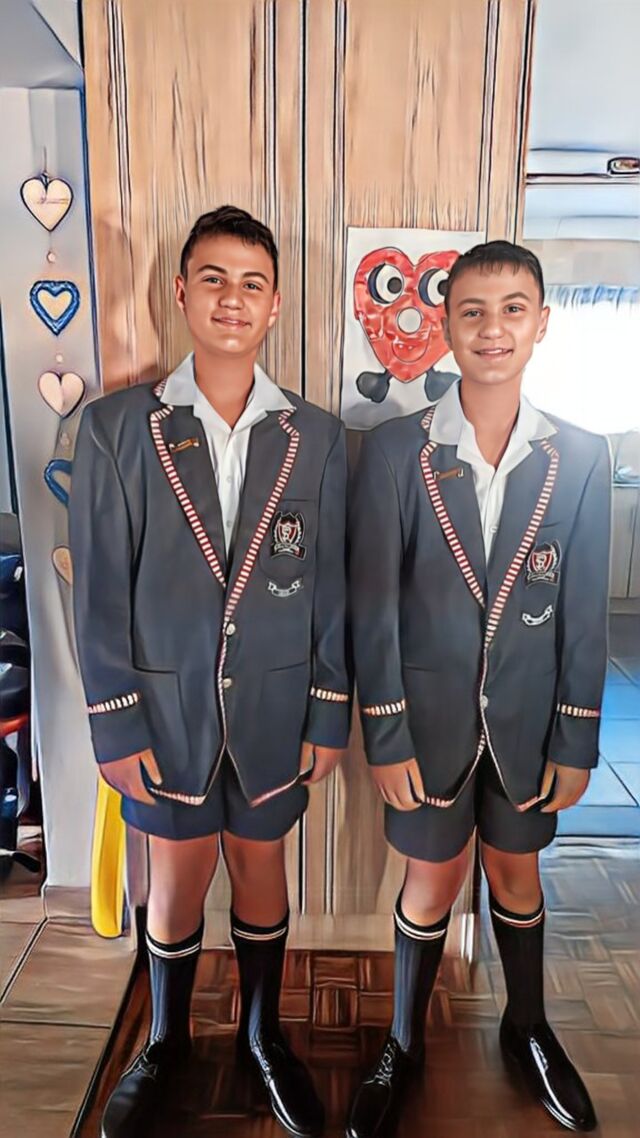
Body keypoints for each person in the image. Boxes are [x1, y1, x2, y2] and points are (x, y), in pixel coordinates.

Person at [69, 205, 350, 1138]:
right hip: (163, 712)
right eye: (215, 279)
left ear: (276, 305)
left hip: (276, 710)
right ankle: (166, 1041)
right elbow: (99, 591)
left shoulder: (316, 436)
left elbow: (331, 585)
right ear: (183, 292)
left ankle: (264, 1035)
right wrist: (115, 721)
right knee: (178, 875)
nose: (234, 299)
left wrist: (328, 709)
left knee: (261, 864)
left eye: (253, 283)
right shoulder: (117, 427)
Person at [347, 240, 610, 1136]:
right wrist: (385, 732)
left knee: (516, 870)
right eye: (472, 311)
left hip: (531, 726)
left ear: (541, 324)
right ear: (446, 325)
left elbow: (583, 611)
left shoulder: (581, 455)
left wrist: (577, 737)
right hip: (425, 727)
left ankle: (527, 1026)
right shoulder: (397, 452)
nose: (492, 328)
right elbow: (373, 603)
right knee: (431, 878)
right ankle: (403, 1042)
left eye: (512, 309)